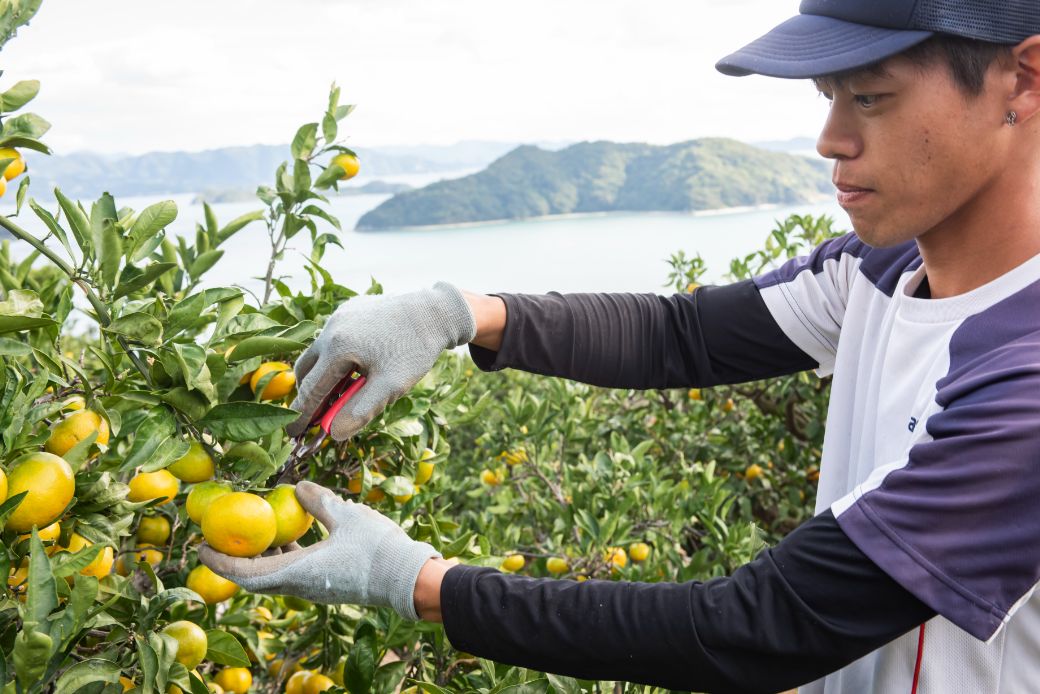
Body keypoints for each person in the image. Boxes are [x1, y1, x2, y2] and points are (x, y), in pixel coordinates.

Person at [201, 1, 1040, 691]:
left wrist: (418, 584)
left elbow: (758, 626)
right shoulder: (881, 270)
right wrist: (458, 314)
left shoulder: (1025, 380)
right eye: (827, 96)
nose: (829, 138)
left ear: (1023, 78)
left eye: (870, 98)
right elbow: (682, 335)